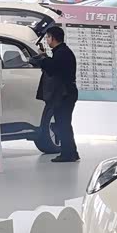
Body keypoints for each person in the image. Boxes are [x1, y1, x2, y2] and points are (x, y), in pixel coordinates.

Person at [37, 24, 79, 162]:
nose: (47, 40)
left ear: (53, 38)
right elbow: (55, 65)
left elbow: (53, 68)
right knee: (64, 123)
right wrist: (44, 56)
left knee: (62, 124)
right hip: (66, 93)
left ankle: (67, 154)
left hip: (64, 94)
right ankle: (71, 152)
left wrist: (42, 59)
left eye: (48, 37)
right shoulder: (62, 52)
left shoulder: (62, 53)